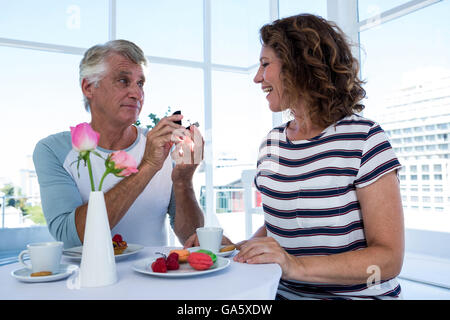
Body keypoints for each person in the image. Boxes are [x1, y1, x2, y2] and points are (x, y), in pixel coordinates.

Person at [234, 14, 404, 299]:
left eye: (265, 65)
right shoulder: (272, 144)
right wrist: (236, 251)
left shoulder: (364, 139)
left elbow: (388, 259)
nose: (257, 77)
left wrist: (295, 266)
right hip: (278, 295)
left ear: (298, 65)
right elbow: (283, 222)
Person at [33, 39, 204, 249]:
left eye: (140, 83)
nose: (136, 93)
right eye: (123, 81)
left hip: (155, 278)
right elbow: (71, 237)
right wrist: (148, 165)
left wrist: (183, 181)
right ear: (88, 87)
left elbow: (193, 238)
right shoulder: (53, 150)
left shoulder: (163, 147)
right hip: (88, 280)